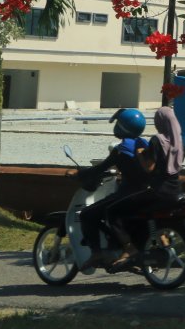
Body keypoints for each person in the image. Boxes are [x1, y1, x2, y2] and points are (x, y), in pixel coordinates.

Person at [104, 105, 185, 268]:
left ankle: (129, 248)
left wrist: (141, 152)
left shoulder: (158, 139)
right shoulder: (179, 141)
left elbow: (149, 167)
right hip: (175, 189)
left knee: (113, 210)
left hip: (159, 190)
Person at [77, 108, 149, 270]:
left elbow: (100, 168)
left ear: (122, 127)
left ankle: (97, 253)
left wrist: (79, 173)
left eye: (118, 123)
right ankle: (114, 246)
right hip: (145, 193)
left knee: (88, 214)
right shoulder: (143, 143)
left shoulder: (121, 149)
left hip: (127, 194)